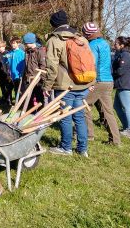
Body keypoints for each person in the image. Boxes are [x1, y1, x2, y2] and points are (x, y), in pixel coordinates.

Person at [44, 10, 94, 157]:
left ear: (54, 25)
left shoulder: (54, 40)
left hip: (65, 87)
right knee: (79, 116)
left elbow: (51, 67)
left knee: (65, 116)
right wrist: (91, 81)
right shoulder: (81, 38)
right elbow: (91, 62)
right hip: (83, 84)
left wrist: (47, 86)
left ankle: (66, 147)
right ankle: (83, 149)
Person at [82, 23, 121, 145]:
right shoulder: (105, 43)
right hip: (108, 80)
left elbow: (92, 64)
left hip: (98, 80)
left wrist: (91, 82)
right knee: (108, 111)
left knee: (83, 106)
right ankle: (115, 140)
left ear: (87, 34)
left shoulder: (92, 45)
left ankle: (89, 135)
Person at [113, 36, 130, 139]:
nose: (114, 45)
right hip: (121, 84)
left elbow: (120, 71)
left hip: (124, 84)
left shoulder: (126, 55)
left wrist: (111, 73)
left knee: (127, 107)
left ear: (122, 45)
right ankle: (126, 127)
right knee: (117, 106)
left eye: (116, 44)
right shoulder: (122, 54)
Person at [21, 32, 46, 107]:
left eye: (26, 43)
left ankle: (39, 113)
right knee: (28, 99)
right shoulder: (27, 52)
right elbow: (26, 65)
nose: (25, 45)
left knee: (39, 98)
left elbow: (43, 66)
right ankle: (29, 114)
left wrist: (42, 80)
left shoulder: (40, 51)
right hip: (28, 79)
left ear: (31, 42)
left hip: (37, 80)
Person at [6, 37, 25, 102]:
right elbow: (6, 61)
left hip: (18, 74)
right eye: (12, 43)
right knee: (10, 88)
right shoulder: (10, 53)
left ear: (18, 44)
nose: (12, 45)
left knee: (18, 89)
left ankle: (19, 102)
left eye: (14, 43)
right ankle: (9, 101)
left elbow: (23, 64)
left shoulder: (21, 53)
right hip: (11, 75)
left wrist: (21, 74)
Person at [0, 40, 13, 105]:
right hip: (0, 74)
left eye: (1, 47)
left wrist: (9, 73)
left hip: (7, 74)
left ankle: (9, 100)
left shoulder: (8, 54)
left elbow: (9, 64)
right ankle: (4, 99)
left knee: (8, 88)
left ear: (4, 47)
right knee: (2, 87)